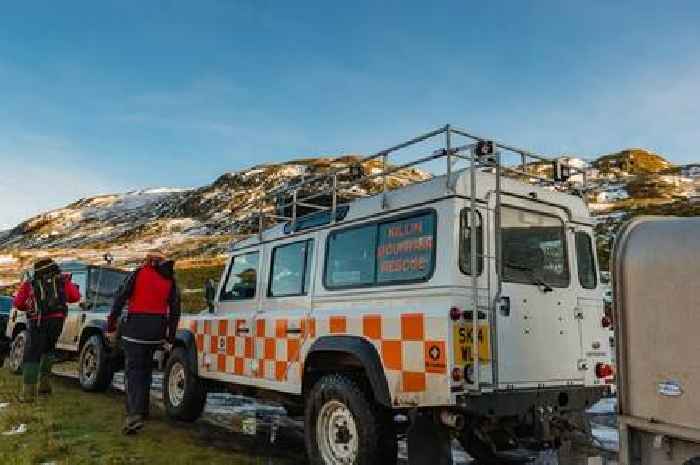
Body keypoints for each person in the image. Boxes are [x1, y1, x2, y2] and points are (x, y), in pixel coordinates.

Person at [106, 250, 181, 435]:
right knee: (146, 369)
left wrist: (111, 324)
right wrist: (170, 338)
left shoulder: (139, 273)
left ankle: (133, 416)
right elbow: (175, 310)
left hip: (135, 329)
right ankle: (143, 410)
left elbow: (120, 297)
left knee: (133, 371)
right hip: (157, 332)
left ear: (148, 260)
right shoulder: (170, 279)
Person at [13, 258, 81, 402]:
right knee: (48, 351)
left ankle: (27, 394)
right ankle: (44, 388)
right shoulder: (62, 280)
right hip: (57, 321)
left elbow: (18, 303)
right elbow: (75, 297)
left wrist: (29, 307)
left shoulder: (31, 282)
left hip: (37, 320)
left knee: (32, 354)